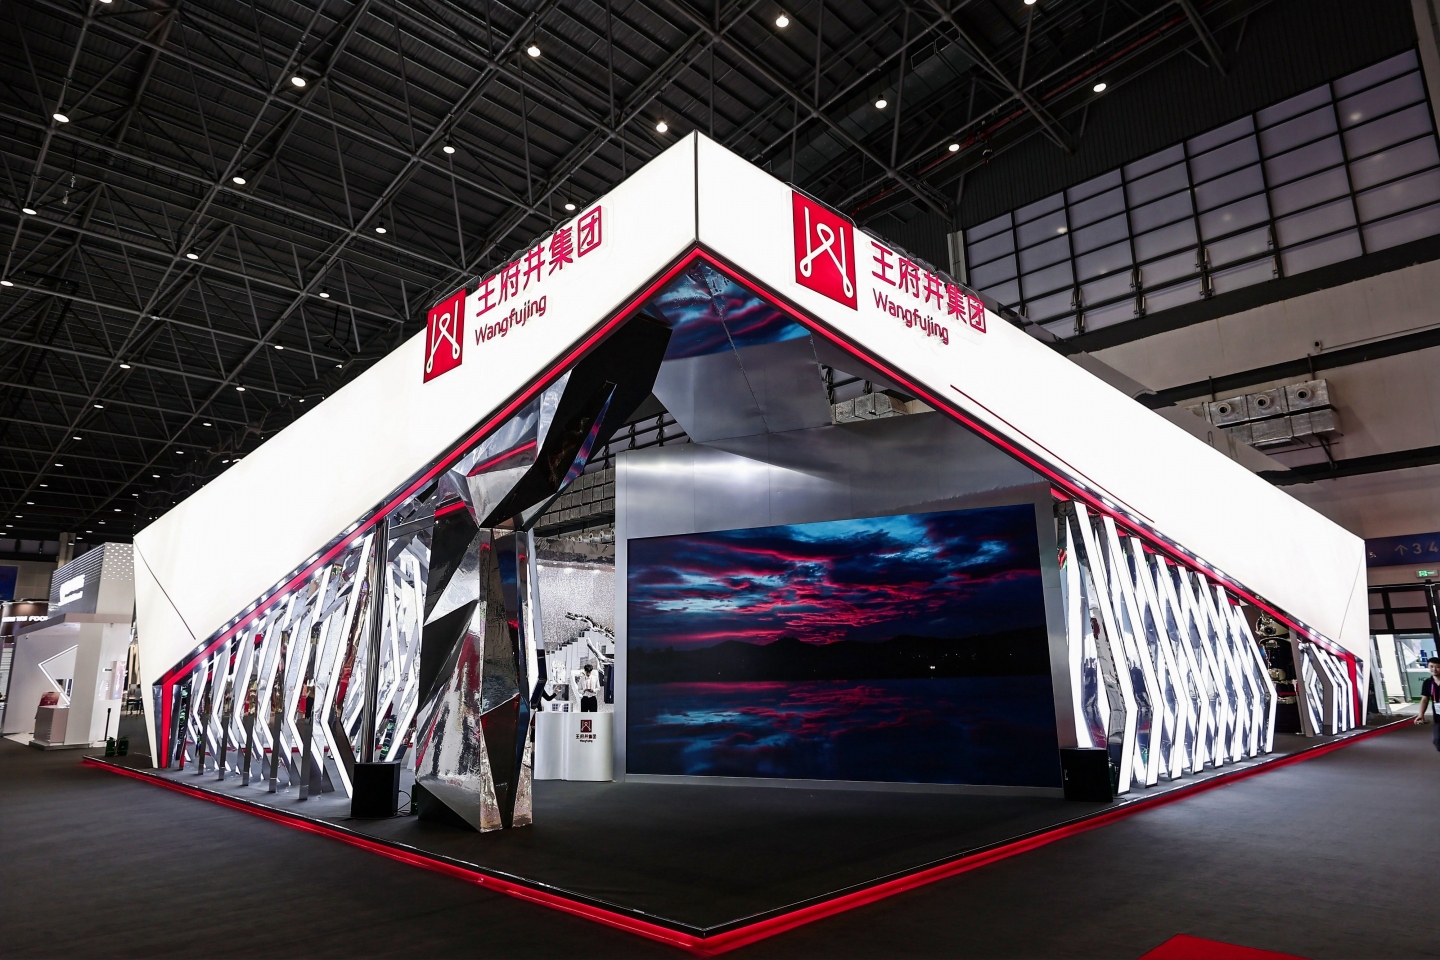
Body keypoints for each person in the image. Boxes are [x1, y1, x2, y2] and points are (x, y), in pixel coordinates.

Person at [1415, 657, 1440, 752]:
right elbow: (1424, 699)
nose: (1434, 669)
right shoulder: (1428, 683)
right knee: (1437, 740)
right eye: (1431, 666)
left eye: (1437, 667)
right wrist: (1421, 714)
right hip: (1438, 717)